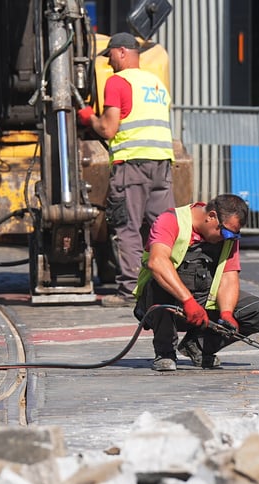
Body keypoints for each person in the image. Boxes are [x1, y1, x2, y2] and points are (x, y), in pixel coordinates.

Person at [78, 32, 176, 308]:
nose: (108, 62)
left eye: (110, 55)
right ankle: (167, 284)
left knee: (128, 229)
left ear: (122, 52)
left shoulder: (117, 82)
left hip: (132, 164)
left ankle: (129, 290)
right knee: (162, 229)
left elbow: (108, 129)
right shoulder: (156, 84)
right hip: (162, 163)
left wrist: (87, 117)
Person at [132, 194, 259, 372]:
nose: (228, 238)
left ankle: (197, 346)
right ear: (211, 216)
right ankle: (165, 352)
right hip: (164, 304)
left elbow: (228, 277)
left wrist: (227, 313)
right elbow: (157, 262)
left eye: (233, 235)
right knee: (159, 284)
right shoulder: (171, 220)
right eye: (226, 233)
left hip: (202, 303)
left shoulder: (228, 238)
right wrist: (187, 301)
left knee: (257, 312)